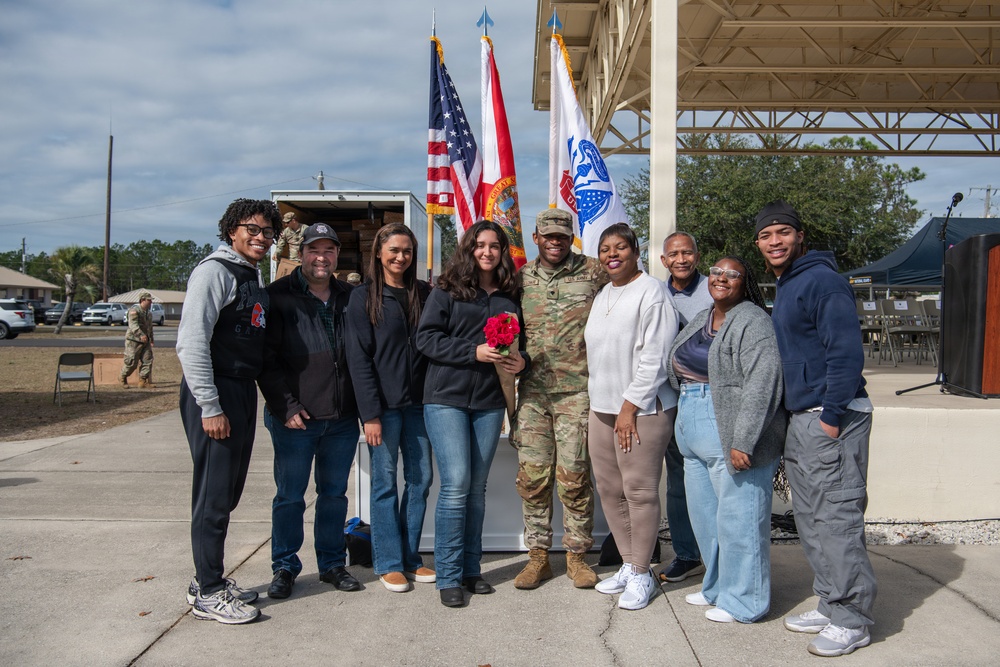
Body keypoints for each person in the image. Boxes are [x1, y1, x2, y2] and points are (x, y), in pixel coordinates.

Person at [754, 200, 876, 657]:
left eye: (783, 232)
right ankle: (830, 601)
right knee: (810, 518)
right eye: (766, 236)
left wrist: (830, 416)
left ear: (800, 236)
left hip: (831, 418)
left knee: (837, 519)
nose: (775, 242)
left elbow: (845, 353)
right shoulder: (789, 284)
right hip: (805, 418)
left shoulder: (823, 281)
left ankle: (853, 619)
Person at [177, 198, 282, 624]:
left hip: (240, 390)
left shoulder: (250, 275)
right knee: (214, 493)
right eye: (251, 230)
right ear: (231, 231)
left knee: (230, 490)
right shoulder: (213, 272)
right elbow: (191, 342)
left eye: (267, 232)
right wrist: (209, 405)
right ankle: (209, 591)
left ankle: (207, 577)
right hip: (215, 392)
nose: (260, 238)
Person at [415, 220, 528, 608]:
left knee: (477, 490)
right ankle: (447, 576)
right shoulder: (447, 290)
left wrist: (520, 361)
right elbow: (426, 339)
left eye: (495, 246)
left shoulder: (510, 296)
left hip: (489, 402)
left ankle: (470, 569)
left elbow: (521, 344)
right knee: (456, 484)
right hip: (445, 398)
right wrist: (472, 352)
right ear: (469, 248)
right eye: (480, 245)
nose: (487, 252)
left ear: (502, 252)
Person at [667, 257, 786, 623]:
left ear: (745, 281)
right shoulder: (705, 317)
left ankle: (746, 602)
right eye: (716, 272)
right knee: (707, 519)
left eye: (732, 273)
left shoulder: (752, 321)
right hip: (692, 426)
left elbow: (762, 383)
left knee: (740, 519)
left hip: (730, 430)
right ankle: (717, 587)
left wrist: (744, 440)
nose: (721, 278)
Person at [257, 222, 360, 600]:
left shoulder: (351, 296)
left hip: (342, 418)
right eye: (314, 250)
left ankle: (332, 563)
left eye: (329, 250)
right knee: (290, 496)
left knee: (334, 494)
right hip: (295, 419)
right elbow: (264, 360)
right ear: (300, 254)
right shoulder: (277, 296)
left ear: (337, 255)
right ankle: (284, 566)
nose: (322, 257)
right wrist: (285, 406)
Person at [511, 209, 607, 590]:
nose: (555, 242)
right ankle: (537, 558)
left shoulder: (594, 272)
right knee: (533, 477)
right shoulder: (520, 278)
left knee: (574, 477)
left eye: (562, 237)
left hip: (577, 392)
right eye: (548, 236)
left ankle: (577, 557)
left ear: (571, 238)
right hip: (532, 393)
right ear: (536, 237)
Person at [584, 222, 678, 611]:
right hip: (602, 407)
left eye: (620, 247)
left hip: (642, 408)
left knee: (638, 491)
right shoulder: (604, 292)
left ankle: (643, 573)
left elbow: (656, 357)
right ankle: (627, 563)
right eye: (606, 249)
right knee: (608, 489)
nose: (612, 254)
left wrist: (628, 409)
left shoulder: (651, 292)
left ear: (636, 252)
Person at [346, 223, 435, 594]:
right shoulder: (363, 297)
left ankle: (411, 557)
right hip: (382, 408)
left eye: (408, 251)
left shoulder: (425, 293)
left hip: (419, 406)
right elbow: (358, 359)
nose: (401, 257)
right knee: (384, 484)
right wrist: (370, 414)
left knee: (421, 479)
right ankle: (388, 561)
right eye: (394, 250)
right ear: (379, 253)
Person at [657, 231, 712, 584]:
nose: (681, 259)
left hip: (710, 398)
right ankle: (687, 554)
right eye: (673, 254)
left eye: (687, 252)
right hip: (669, 399)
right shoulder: (655, 293)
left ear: (697, 255)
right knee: (677, 481)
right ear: (664, 261)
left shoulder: (715, 287)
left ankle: (718, 556)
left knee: (715, 480)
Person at [119, 291, 155, 389]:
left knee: (148, 360)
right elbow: (133, 325)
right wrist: (141, 335)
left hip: (145, 341)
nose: (151, 303)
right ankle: (123, 377)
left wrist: (151, 339)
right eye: (149, 300)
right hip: (134, 340)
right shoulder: (134, 311)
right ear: (142, 300)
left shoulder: (149, 313)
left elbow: (150, 327)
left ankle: (143, 381)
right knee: (131, 362)